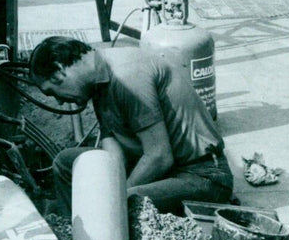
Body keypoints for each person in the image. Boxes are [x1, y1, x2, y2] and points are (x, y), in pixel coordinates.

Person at [29, 36, 233, 217]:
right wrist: (107, 184)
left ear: (58, 72)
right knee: (67, 163)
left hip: (202, 177)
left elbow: (159, 157)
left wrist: (114, 196)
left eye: (52, 92)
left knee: (120, 204)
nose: (59, 102)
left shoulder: (127, 76)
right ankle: (73, 233)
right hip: (163, 168)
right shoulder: (98, 80)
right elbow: (113, 155)